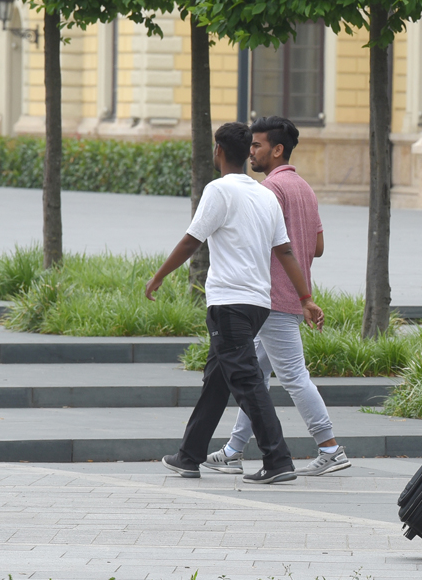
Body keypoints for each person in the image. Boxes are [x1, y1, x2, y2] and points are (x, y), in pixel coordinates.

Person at [147, 121, 324, 485]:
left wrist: (160, 274)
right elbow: (286, 251)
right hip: (259, 302)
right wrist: (305, 298)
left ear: (219, 151)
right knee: (218, 378)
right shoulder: (264, 195)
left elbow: (191, 240)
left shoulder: (220, 190)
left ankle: (278, 460)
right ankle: (189, 455)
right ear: (247, 153)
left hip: (230, 301)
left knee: (246, 380)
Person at [199, 116, 351, 478]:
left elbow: (259, 240)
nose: (250, 152)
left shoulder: (269, 189)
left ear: (277, 149)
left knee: (294, 376)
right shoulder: (304, 188)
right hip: (288, 296)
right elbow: (318, 246)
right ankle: (235, 449)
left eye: (257, 146)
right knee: (255, 376)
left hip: (272, 297)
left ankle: (330, 447)